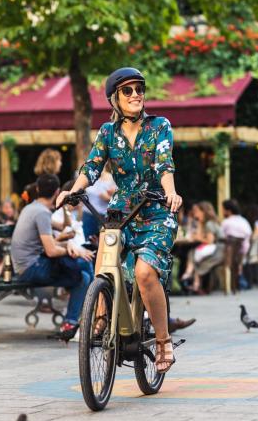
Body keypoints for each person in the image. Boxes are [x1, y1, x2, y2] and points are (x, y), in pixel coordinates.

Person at [57, 67, 182, 372]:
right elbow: (92, 166)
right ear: (115, 99)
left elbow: (165, 164)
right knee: (106, 248)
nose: (136, 94)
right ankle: (100, 314)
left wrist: (171, 193)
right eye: (128, 90)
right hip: (123, 209)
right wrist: (72, 191)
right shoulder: (107, 132)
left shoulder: (159, 126)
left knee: (143, 273)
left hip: (155, 209)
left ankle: (163, 340)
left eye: (139, 88)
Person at [11, 173, 94, 341]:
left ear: (37, 189)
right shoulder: (41, 213)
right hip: (31, 268)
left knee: (84, 276)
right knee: (84, 267)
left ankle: (74, 322)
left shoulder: (32, 208)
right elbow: (51, 251)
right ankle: (85, 318)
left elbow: (63, 228)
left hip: (30, 265)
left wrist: (68, 246)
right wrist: (74, 250)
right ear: (57, 192)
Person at [189, 201, 224, 293]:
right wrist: (199, 223)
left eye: (197, 211)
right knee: (193, 253)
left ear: (203, 212)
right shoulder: (207, 223)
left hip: (219, 251)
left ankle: (191, 277)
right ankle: (195, 282)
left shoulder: (209, 224)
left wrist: (197, 237)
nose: (195, 214)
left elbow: (210, 241)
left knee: (193, 253)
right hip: (218, 249)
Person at [82, 170, 116, 241]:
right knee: (89, 241)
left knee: (104, 242)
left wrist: (108, 198)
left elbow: (117, 198)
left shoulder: (112, 178)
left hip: (104, 216)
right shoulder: (85, 176)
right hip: (89, 215)